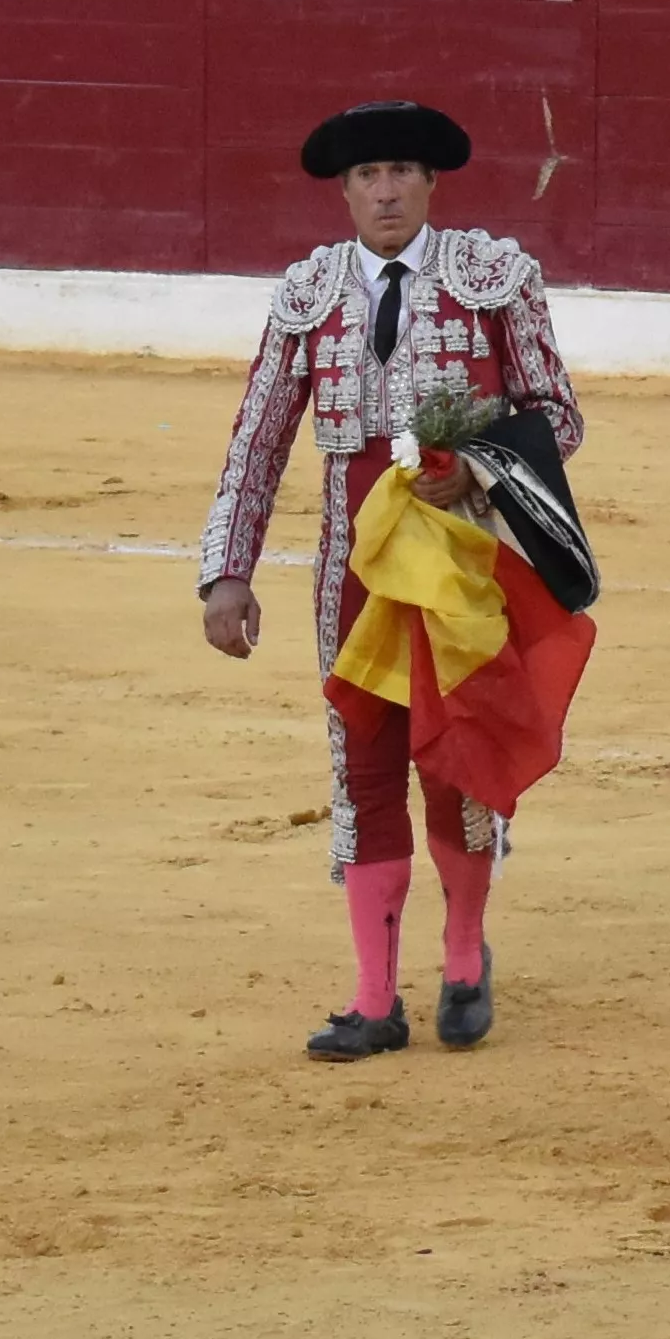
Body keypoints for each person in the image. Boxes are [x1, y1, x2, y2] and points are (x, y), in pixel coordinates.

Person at [197, 101, 590, 1065]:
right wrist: (225, 570)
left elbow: (557, 414)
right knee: (364, 765)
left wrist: (480, 468)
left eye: (403, 171)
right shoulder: (308, 294)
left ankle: (461, 962)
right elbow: (258, 439)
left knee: (453, 762)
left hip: (460, 561)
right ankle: (375, 999)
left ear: (430, 183)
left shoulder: (494, 280)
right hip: (352, 577)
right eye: (369, 174)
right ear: (344, 190)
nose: (386, 189)